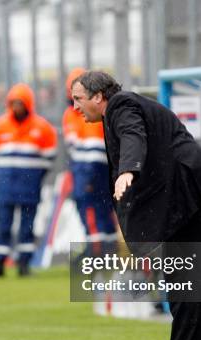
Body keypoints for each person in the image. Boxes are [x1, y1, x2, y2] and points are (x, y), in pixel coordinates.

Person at [71, 71, 201, 340]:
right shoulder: (123, 106)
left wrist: (127, 170)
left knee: (185, 280)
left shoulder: (121, 105)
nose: (75, 106)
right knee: (197, 282)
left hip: (194, 195)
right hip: (198, 194)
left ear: (98, 96)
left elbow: (133, 135)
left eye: (78, 99)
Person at [0, 83, 57, 277]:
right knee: (3, 226)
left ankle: (24, 265)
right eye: (13, 103)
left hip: (30, 188)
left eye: (20, 103)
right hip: (5, 187)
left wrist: (33, 177)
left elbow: (49, 157)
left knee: (27, 227)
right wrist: (3, 175)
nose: (17, 107)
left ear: (28, 104)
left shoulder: (42, 127)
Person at [62, 68, 117, 254]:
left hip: (89, 168)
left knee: (92, 207)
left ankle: (97, 251)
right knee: (100, 207)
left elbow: (84, 144)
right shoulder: (80, 113)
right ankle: (104, 249)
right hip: (94, 167)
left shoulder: (81, 114)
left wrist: (89, 172)